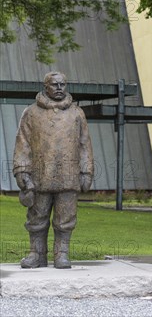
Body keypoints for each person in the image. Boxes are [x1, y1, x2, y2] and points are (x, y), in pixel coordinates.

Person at [13, 71, 94, 269]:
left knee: (65, 219)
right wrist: (22, 171)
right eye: (54, 84)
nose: (59, 88)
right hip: (40, 176)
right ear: (45, 86)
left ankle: (62, 255)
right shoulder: (31, 113)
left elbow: (85, 144)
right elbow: (22, 144)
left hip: (68, 176)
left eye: (62, 84)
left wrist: (86, 171)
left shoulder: (76, 113)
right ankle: (36, 254)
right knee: (37, 218)